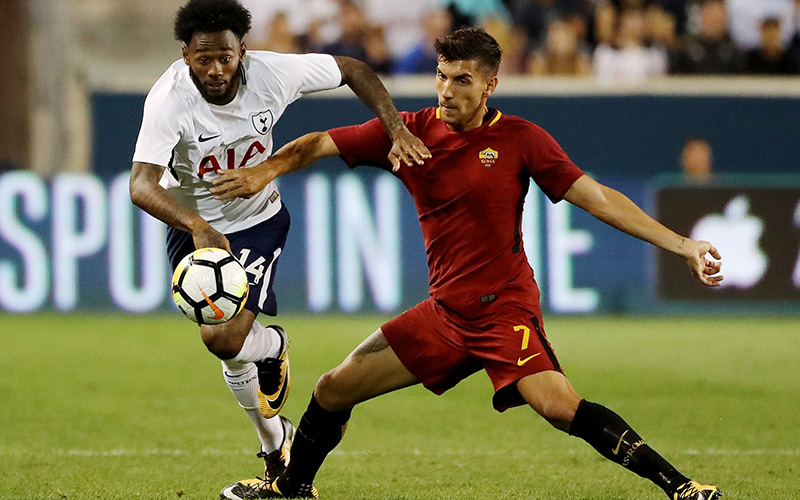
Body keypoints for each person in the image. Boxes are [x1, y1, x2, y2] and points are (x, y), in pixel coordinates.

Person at [210, 27, 724, 500]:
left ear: (489, 85)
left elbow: (598, 199)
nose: (447, 90)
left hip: (504, 312)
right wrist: (266, 171)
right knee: (331, 389)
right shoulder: (409, 132)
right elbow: (317, 142)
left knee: (559, 406)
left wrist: (683, 245)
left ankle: (681, 487)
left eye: (462, 79)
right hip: (445, 315)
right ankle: (293, 488)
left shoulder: (521, 139)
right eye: (441, 76)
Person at [128, 0, 430, 493]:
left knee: (222, 339)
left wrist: (395, 126)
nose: (216, 68)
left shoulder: (273, 73)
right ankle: (275, 446)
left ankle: (272, 347)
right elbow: (141, 185)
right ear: (185, 55)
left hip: (256, 222)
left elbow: (353, 69)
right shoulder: (169, 99)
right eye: (203, 58)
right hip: (193, 227)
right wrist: (196, 225)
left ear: (242, 50)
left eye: (226, 56)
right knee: (228, 352)